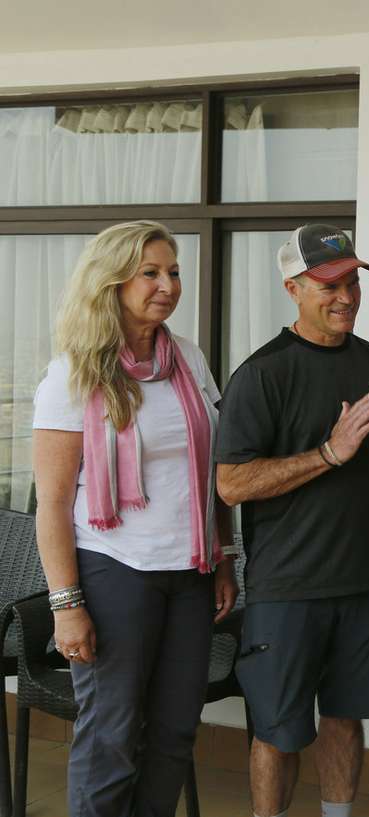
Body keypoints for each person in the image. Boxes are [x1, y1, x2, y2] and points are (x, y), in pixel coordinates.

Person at [31, 221, 238, 817]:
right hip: (112, 572)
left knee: (173, 736)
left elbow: (212, 475)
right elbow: (50, 504)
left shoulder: (188, 359)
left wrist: (223, 557)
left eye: (173, 271)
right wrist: (67, 605)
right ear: (112, 281)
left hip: (190, 574)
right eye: (150, 272)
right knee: (112, 740)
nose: (167, 284)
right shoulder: (71, 375)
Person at [213, 224, 369, 817]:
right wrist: (327, 454)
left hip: (363, 584)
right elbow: (230, 484)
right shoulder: (262, 374)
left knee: (346, 718)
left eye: (352, 281)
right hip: (288, 589)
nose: (345, 296)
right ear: (293, 288)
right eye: (329, 284)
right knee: (278, 731)